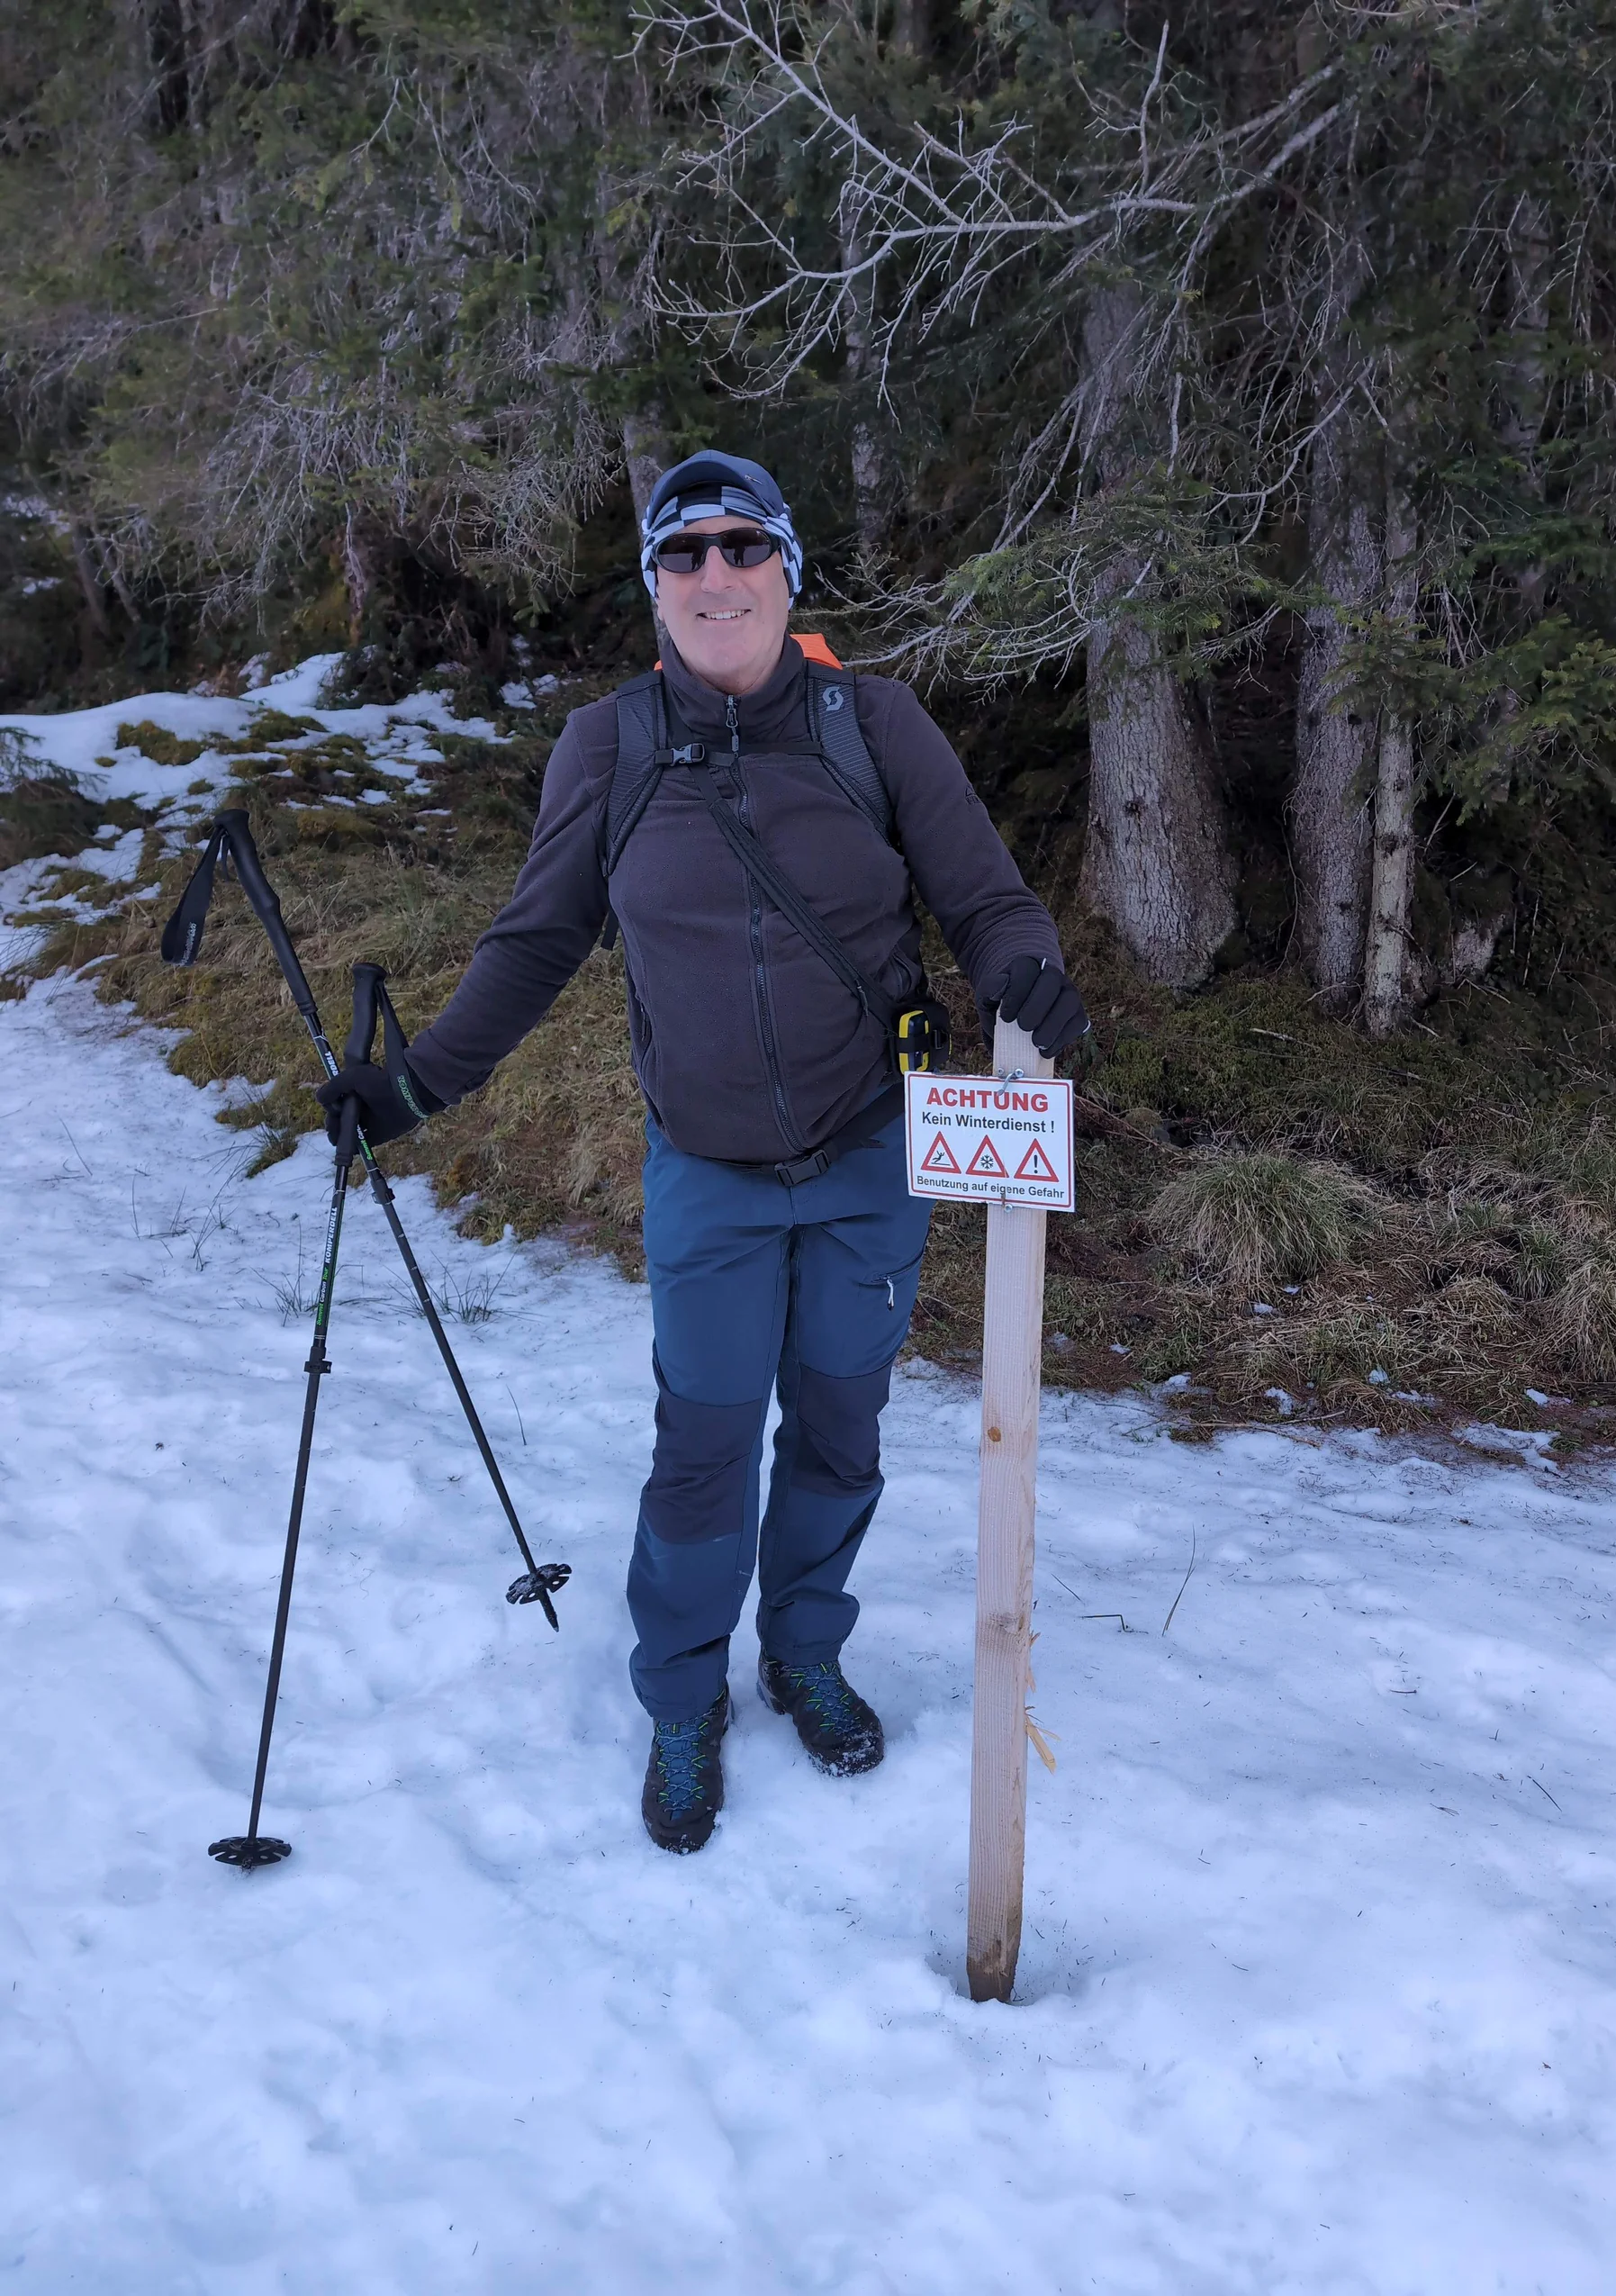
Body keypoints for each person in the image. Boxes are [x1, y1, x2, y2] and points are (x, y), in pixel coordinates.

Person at [317, 451, 1089, 1854]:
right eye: (687, 554)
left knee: (841, 1429)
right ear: (654, 589)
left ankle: (802, 1648)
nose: (716, 575)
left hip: (867, 1157)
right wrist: (417, 1086)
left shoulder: (876, 725)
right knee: (705, 1445)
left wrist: (1027, 970)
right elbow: (539, 938)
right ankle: (683, 1693)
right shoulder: (608, 749)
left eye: (744, 547)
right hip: (710, 1176)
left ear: (788, 571)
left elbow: (984, 895)